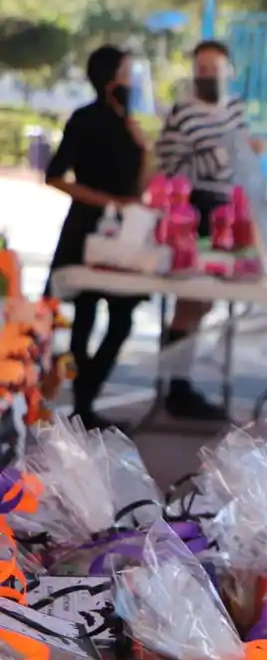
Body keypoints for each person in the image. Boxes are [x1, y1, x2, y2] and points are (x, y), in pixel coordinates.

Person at [44, 44, 152, 430]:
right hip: (88, 224)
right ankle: (82, 405)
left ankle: (88, 389)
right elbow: (55, 175)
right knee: (84, 313)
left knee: (122, 317)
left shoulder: (129, 123)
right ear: (109, 80)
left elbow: (140, 188)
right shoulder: (85, 120)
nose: (130, 81)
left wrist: (144, 149)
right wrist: (104, 200)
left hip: (126, 229)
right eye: (125, 73)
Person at [151, 38, 252, 421]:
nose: (208, 75)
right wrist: (225, 154)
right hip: (195, 206)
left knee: (207, 298)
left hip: (228, 204)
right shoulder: (183, 113)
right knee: (191, 296)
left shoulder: (235, 108)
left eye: (215, 68)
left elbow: (240, 156)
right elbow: (172, 162)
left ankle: (181, 381)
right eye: (203, 69)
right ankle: (176, 386)